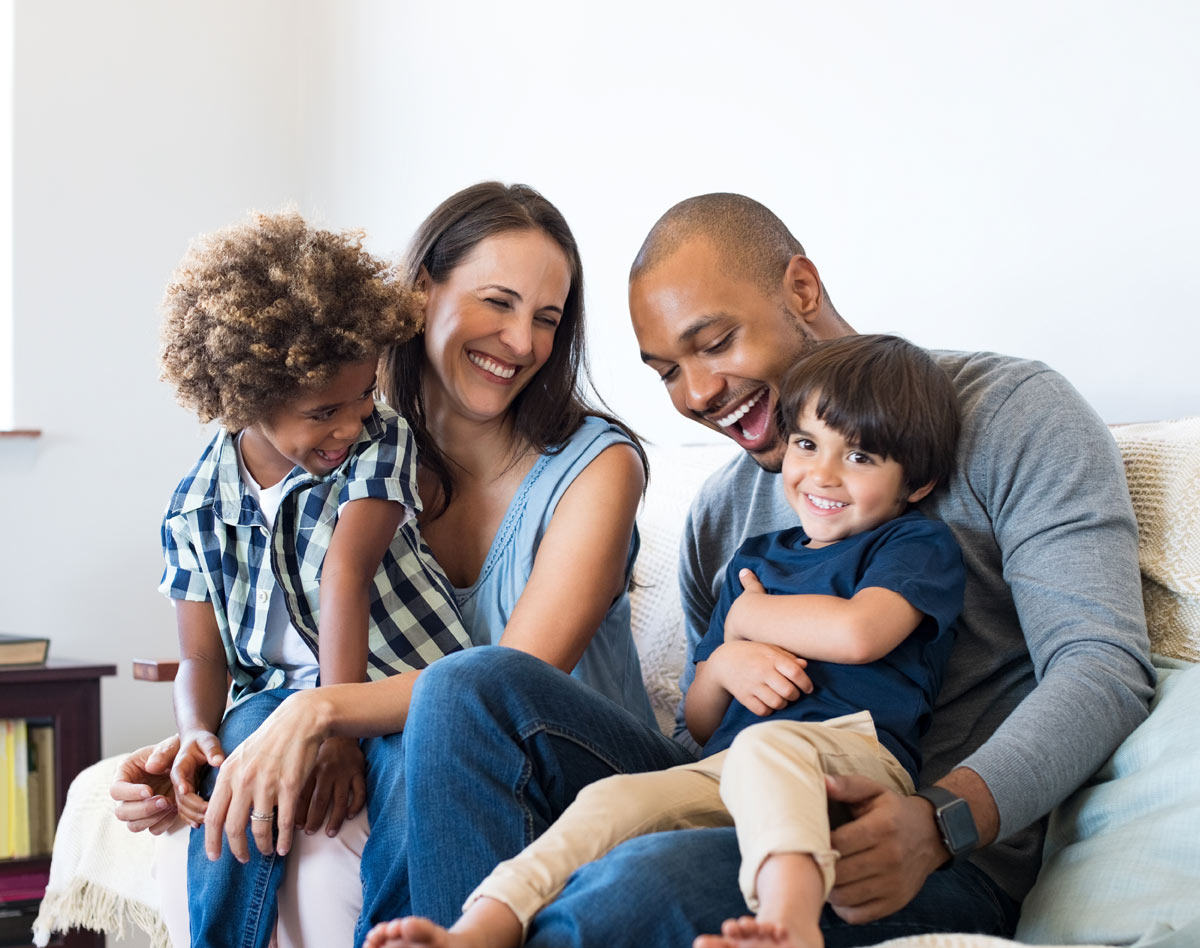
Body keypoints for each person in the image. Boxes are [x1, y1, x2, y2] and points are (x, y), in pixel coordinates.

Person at [393, 192, 1155, 946]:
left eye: (716, 342)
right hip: (740, 790)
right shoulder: (724, 511)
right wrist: (727, 663)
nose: (696, 395)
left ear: (800, 290)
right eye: (666, 372)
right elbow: (706, 728)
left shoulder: (1012, 414)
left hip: (913, 845)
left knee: (637, 882)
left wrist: (941, 821)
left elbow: (1101, 666)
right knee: (468, 688)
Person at [111, 182, 680, 947]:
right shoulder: (340, 441)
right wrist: (198, 744)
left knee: (427, 734)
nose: (520, 342)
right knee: (267, 804)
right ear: (419, 294)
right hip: (412, 745)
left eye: (546, 319)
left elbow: (504, 685)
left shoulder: (595, 468)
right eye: (497, 302)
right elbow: (266, 638)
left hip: (562, 769)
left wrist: (320, 713)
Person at [364, 333, 965, 948]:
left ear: (915, 484)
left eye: (860, 458)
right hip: (727, 768)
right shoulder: (755, 561)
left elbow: (861, 633)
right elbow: (701, 722)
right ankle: (479, 928)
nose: (823, 474)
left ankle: (789, 926)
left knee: (768, 749)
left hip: (849, 761)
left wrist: (749, 622)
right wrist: (727, 658)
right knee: (611, 801)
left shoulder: (912, 545)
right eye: (808, 444)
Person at [155, 211, 471, 948]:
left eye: (363, 396)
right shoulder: (196, 505)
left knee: (410, 776)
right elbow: (202, 656)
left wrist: (336, 725)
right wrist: (195, 733)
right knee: (232, 772)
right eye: (324, 411)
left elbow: (345, 574)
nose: (351, 423)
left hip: (397, 681)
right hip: (271, 697)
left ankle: (397, 935)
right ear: (244, 399)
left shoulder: (378, 441)